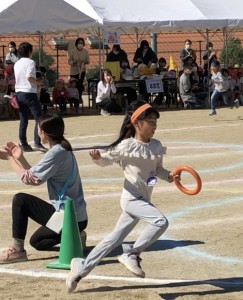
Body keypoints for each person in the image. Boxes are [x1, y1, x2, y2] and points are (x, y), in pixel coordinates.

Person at [66, 100, 175, 293]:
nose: (154, 126)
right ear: (137, 123)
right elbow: (107, 159)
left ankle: (80, 267)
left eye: (156, 122)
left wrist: (169, 176)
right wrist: (98, 159)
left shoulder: (156, 146)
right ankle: (132, 253)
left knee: (113, 239)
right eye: (151, 121)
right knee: (161, 222)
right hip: (131, 199)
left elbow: (157, 168)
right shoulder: (126, 146)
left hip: (143, 200)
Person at [0, 114, 88, 264]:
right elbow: (36, 176)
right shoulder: (63, 148)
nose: (37, 131)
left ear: (44, 133)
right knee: (37, 243)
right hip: (77, 217)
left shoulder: (55, 153)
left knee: (20, 200)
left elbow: (29, 179)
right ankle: (76, 237)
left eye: (38, 128)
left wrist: (10, 159)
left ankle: (18, 250)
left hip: (66, 216)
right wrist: (20, 158)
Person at [14, 42, 46, 152]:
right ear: (29, 51)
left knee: (24, 120)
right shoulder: (31, 62)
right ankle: (37, 142)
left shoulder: (16, 63)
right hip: (29, 93)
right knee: (39, 118)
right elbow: (29, 77)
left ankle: (24, 143)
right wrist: (38, 82)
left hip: (19, 93)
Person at [67, 38, 90, 102]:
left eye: (82, 43)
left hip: (82, 70)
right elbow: (69, 61)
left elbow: (88, 61)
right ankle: (72, 98)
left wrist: (83, 62)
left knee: (80, 84)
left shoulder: (85, 51)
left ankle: (79, 97)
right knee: (74, 84)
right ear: (76, 44)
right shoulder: (72, 51)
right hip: (74, 71)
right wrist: (74, 62)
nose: (80, 44)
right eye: (79, 43)